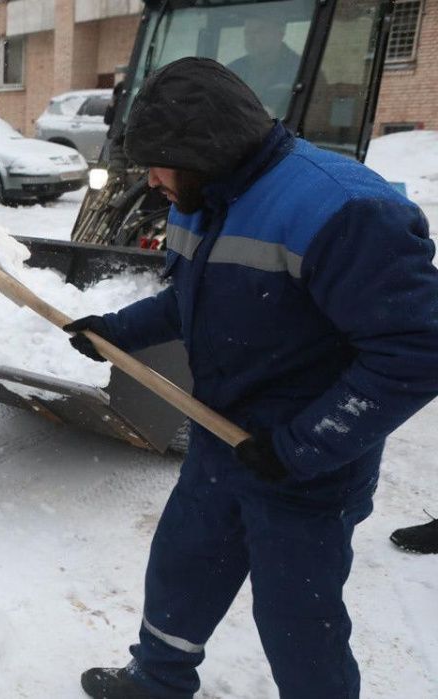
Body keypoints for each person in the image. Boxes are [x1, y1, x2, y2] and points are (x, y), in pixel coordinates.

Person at [64, 58, 438, 698]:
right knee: (183, 568)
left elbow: (417, 350)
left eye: (158, 162)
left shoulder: (343, 210)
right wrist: (118, 330)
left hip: (306, 466)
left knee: (298, 619)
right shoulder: (201, 198)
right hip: (221, 436)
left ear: (200, 150)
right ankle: (157, 680)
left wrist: (301, 447)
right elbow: (194, 298)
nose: (151, 180)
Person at [226, 16, 303, 118]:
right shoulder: (232, 70)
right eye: (247, 32)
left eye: (259, 31)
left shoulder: (303, 71)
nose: (251, 38)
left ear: (279, 33)